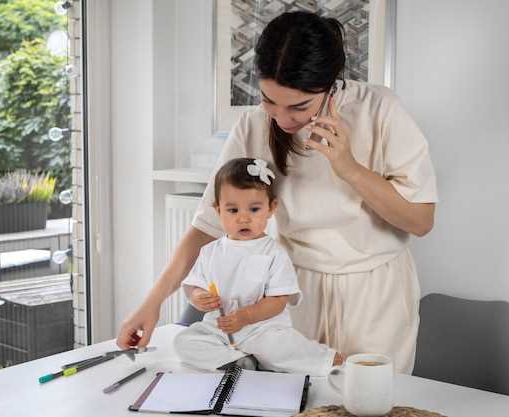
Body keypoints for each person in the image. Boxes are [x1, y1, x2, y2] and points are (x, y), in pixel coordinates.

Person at [117, 11, 437, 374]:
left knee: (371, 402)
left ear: (330, 85)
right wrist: (152, 302)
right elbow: (205, 228)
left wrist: (347, 166)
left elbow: (420, 220)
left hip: (376, 294)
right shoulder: (253, 125)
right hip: (292, 293)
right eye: (270, 101)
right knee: (298, 402)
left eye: (299, 106)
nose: (283, 119)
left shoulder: (380, 109)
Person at [173, 157, 342, 375]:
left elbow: (278, 301)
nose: (243, 219)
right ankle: (238, 361)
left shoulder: (273, 252)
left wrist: (245, 317)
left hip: (262, 328)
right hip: (220, 327)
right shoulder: (210, 252)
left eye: (253, 209)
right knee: (184, 342)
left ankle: (325, 358)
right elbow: (192, 284)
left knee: (281, 348)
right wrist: (197, 296)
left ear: (271, 208)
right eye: (233, 210)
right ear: (218, 210)